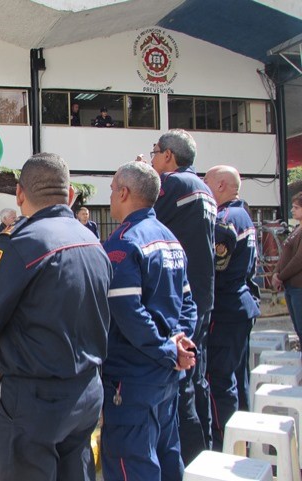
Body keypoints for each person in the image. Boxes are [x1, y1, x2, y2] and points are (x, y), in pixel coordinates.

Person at [0, 152, 111, 481]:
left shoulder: (20, 245)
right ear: (71, 194)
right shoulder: (93, 241)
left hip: (36, 401)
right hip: (88, 392)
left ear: (20, 194)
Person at [101, 160, 197, 481]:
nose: (110, 195)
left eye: (113, 189)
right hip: (165, 375)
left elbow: (128, 312)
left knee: (134, 465)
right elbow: (187, 302)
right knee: (167, 457)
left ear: (125, 192)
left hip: (133, 379)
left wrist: (169, 350)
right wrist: (180, 343)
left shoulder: (124, 242)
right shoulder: (170, 238)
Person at [149, 129, 216, 464]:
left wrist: (143, 179)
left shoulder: (172, 184)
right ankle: (205, 451)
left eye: (154, 153)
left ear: (168, 157)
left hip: (182, 299)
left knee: (181, 386)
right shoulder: (203, 188)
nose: (151, 159)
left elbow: (142, 213)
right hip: (203, 294)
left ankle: (191, 460)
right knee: (195, 378)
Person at [202, 165, 260, 451]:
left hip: (225, 308)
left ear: (222, 186)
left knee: (219, 381)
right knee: (238, 379)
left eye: (207, 182)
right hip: (241, 305)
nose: (203, 187)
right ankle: (244, 442)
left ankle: (227, 447)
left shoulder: (224, 220)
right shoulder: (244, 215)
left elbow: (215, 267)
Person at [272, 191, 302, 344]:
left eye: (296, 207)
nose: (292, 210)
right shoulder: (297, 228)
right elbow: (285, 253)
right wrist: (276, 273)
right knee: (297, 327)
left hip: (299, 286)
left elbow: (298, 260)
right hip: (290, 285)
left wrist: (281, 276)